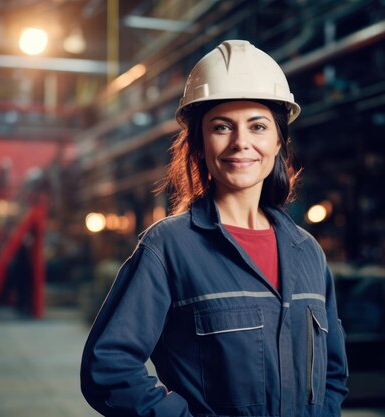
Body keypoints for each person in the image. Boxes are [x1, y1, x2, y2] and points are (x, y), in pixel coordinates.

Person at [80, 39, 349, 417]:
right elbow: (108, 367)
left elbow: (333, 374)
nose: (242, 143)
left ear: (277, 141)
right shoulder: (170, 247)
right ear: (200, 144)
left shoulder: (307, 251)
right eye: (222, 127)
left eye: (257, 126)